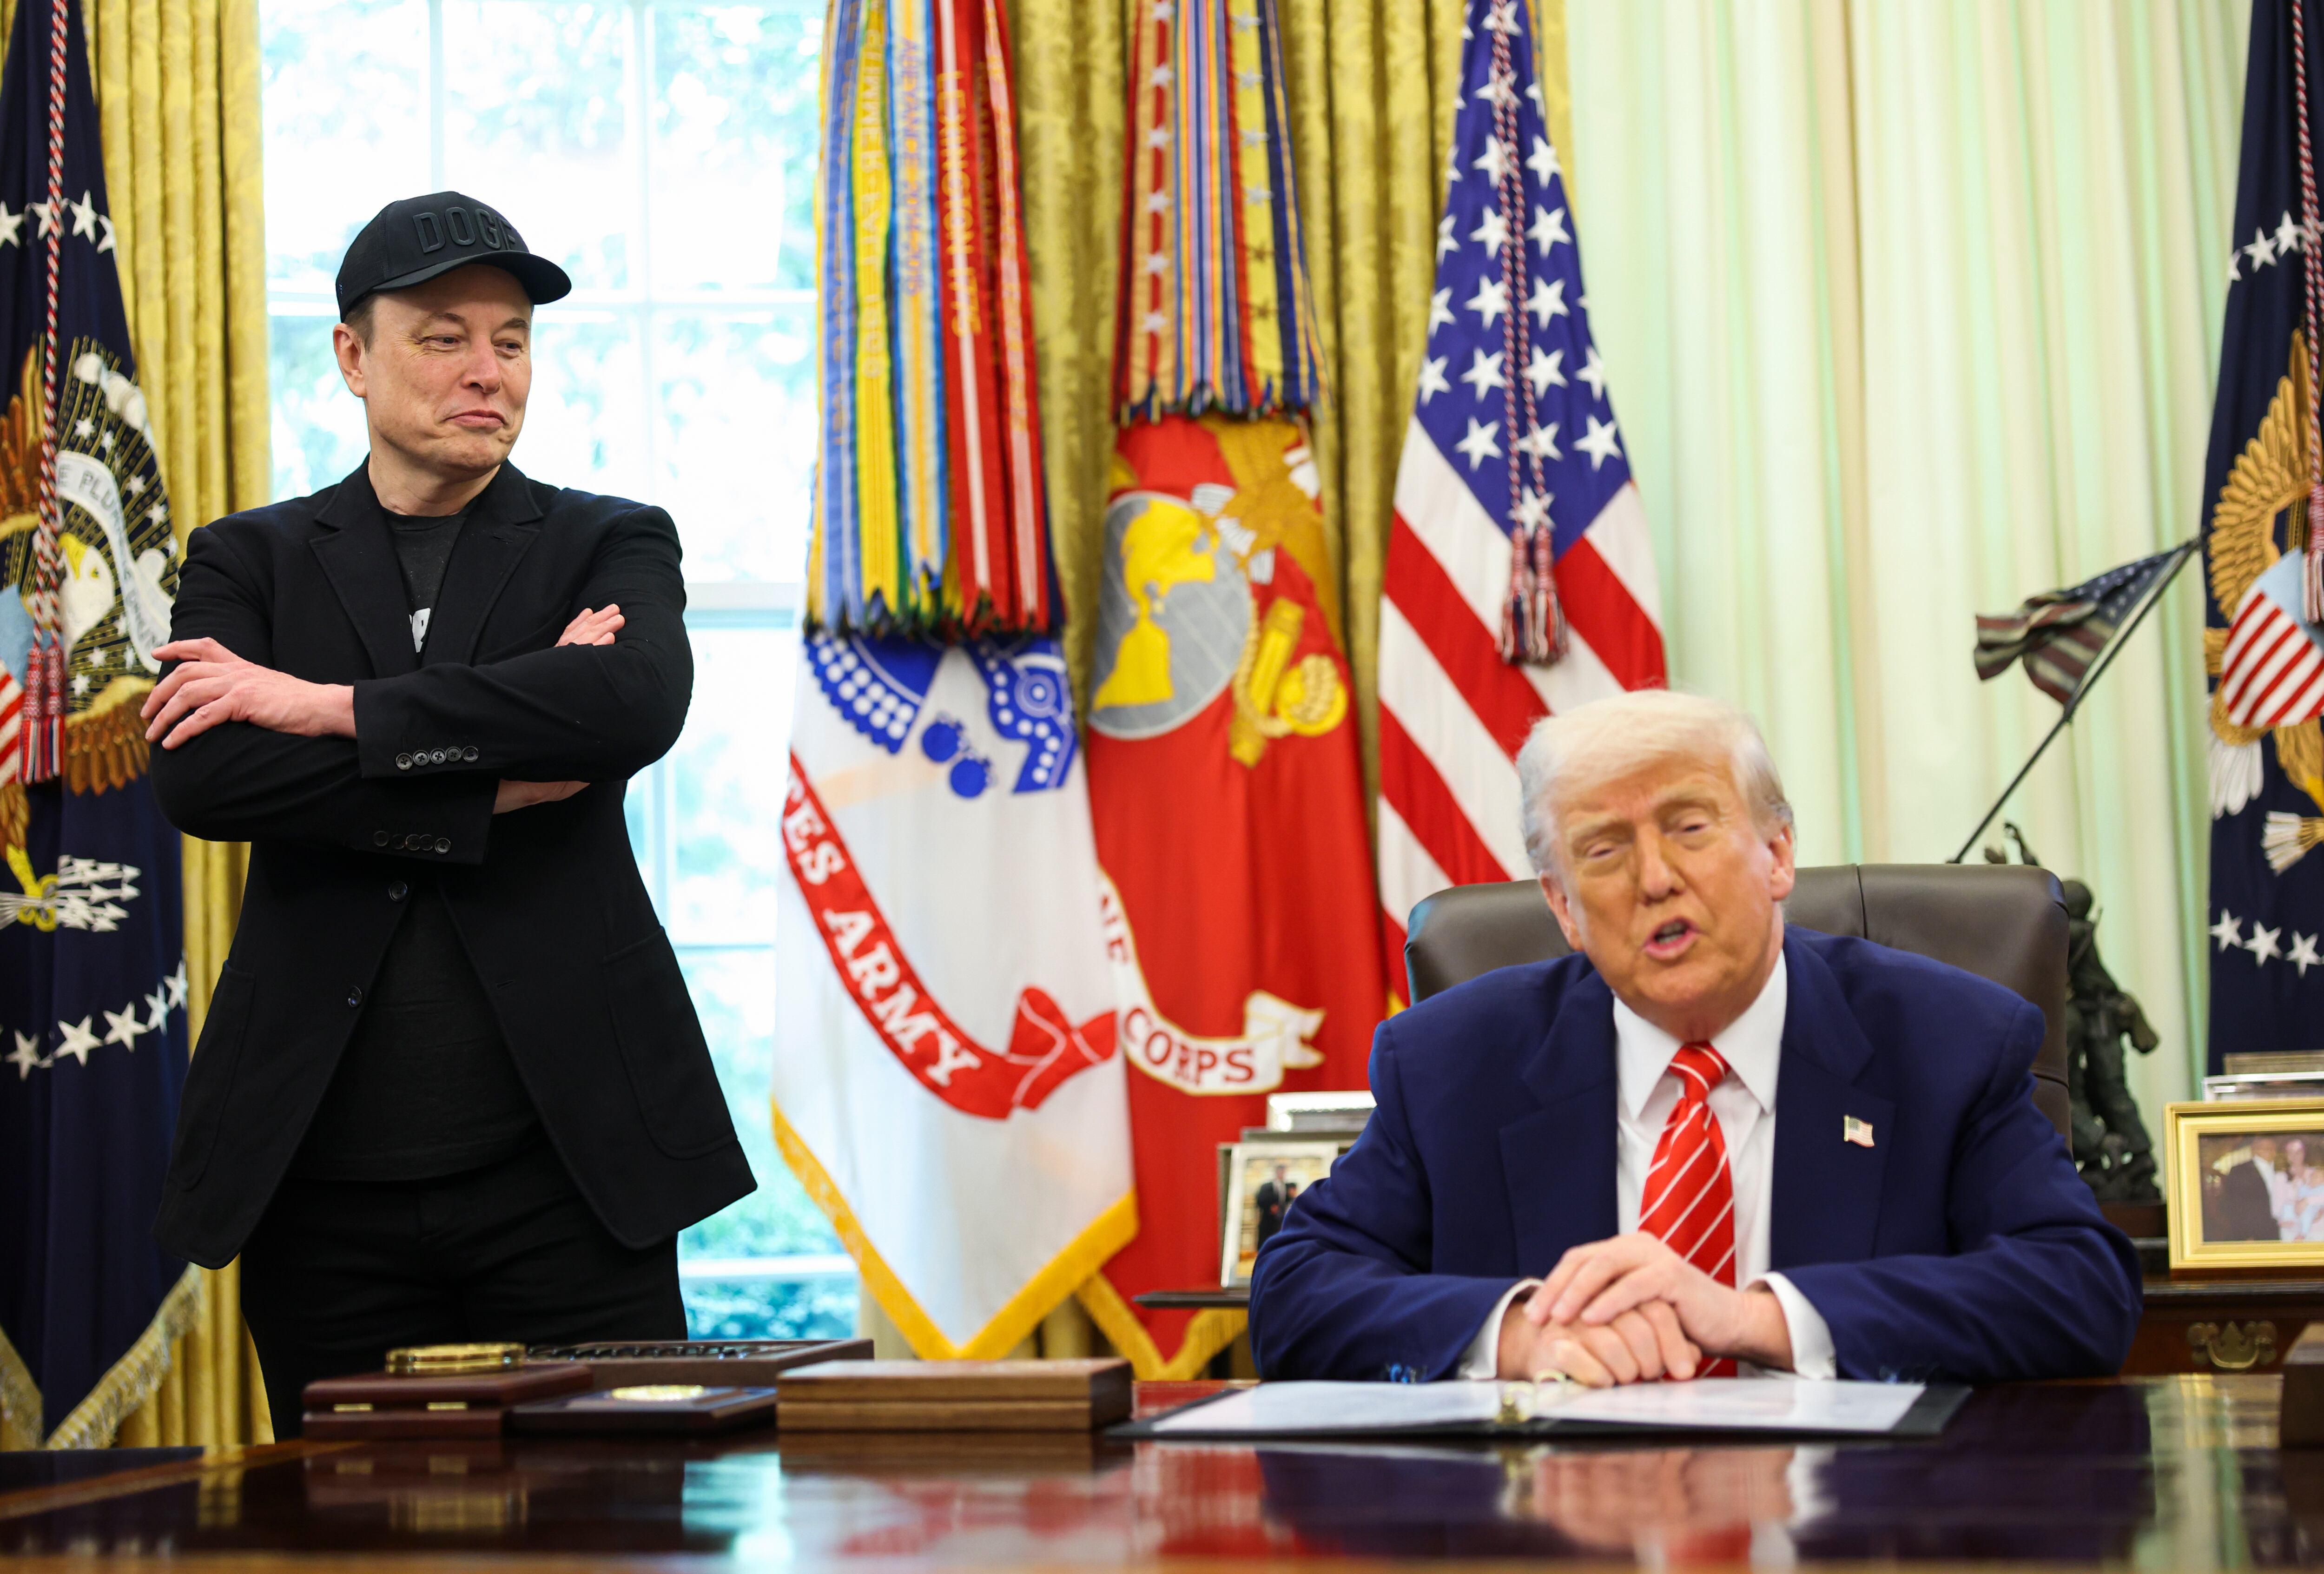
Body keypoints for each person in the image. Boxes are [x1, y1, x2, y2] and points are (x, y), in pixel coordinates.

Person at [144, 192, 753, 1431]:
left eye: (512, 340)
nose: (490, 371)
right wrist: (496, 780)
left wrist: (325, 710)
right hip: (318, 1183)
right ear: (353, 357)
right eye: (444, 337)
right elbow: (206, 778)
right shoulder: (247, 560)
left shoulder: (608, 541)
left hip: (574, 1170)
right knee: (343, 1521)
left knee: (619, 1509)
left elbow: (631, 704)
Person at [1248, 689, 2141, 1386]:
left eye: (1690, 828)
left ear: (1778, 854)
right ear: (1563, 907)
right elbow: (1296, 1291)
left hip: (1859, 1525)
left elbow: (2078, 1287)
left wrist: (1754, 1318)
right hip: (1554, 1528)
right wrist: (1519, 1335)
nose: (1656, 879)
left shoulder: (1948, 1041)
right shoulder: (1453, 1062)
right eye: (1603, 850)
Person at [1254, 1163, 1293, 1249]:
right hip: (1268, 1219)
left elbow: (1287, 1201)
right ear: (1277, 1172)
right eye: (1280, 1172)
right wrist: (1270, 1207)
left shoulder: (1286, 1186)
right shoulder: (1267, 1186)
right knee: (1266, 1241)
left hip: (1281, 1219)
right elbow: (1260, 1200)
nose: (1282, 1174)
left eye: (1283, 1172)